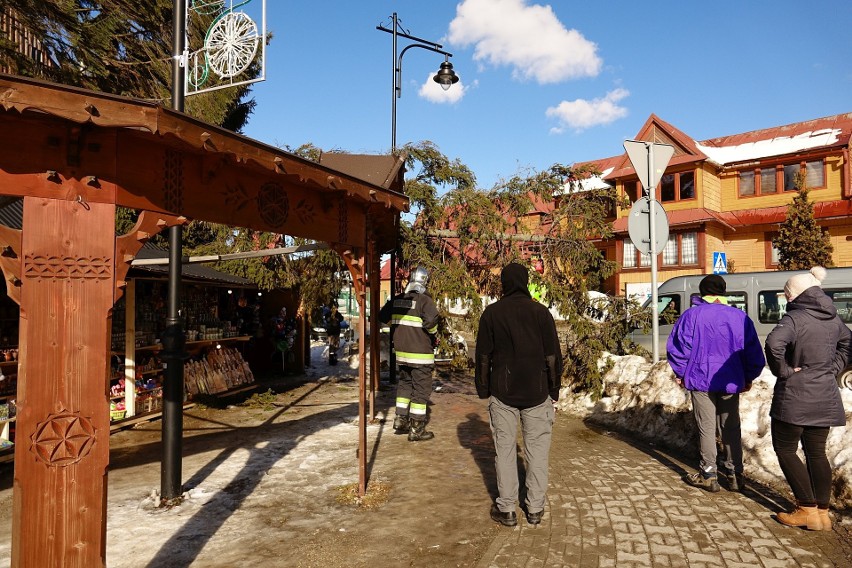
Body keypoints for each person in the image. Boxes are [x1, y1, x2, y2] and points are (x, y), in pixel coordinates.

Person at [475, 263, 562, 527]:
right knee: (537, 453)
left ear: (504, 283)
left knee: (504, 451)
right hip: (537, 393)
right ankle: (534, 509)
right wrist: (553, 389)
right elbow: (553, 357)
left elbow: (482, 357)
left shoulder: (491, 314)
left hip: (502, 394)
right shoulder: (541, 313)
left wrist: (483, 388)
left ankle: (508, 510)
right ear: (525, 282)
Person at [765, 267, 851, 531]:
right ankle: (822, 513)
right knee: (816, 453)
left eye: (788, 294)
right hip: (824, 394)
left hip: (795, 396)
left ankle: (806, 509)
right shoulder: (833, 318)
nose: (787, 299)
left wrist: (785, 371)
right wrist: (833, 368)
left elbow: (773, 344)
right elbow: (848, 344)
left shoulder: (794, 318)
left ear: (796, 295)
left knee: (786, 449)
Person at [667, 274, 765, 493]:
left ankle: (709, 474)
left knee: (707, 427)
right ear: (723, 293)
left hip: (700, 379)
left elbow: (678, 349)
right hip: (730, 379)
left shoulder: (691, 315)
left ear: (702, 293)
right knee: (730, 426)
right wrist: (747, 377)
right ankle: (735, 475)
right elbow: (753, 353)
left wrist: (682, 373)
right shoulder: (739, 317)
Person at [379, 265, 440, 442]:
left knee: (405, 385)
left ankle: (400, 420)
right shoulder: (424, 301)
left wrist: (397, 328)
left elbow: (382, 316)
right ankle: (417, 428)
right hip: (421, 355)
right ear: (424, 281)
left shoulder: (397, 300)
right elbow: (431, 323)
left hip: (401, 354)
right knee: (421, 391)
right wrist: (433, 332)